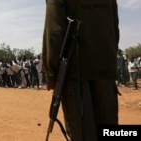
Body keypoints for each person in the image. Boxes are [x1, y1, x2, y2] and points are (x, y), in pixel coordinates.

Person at [42, 1, 120, 141]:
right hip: (106, 70)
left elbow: (54, 33)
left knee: (82, 134)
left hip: (75, 71)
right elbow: (115, 29)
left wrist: (51, 72)